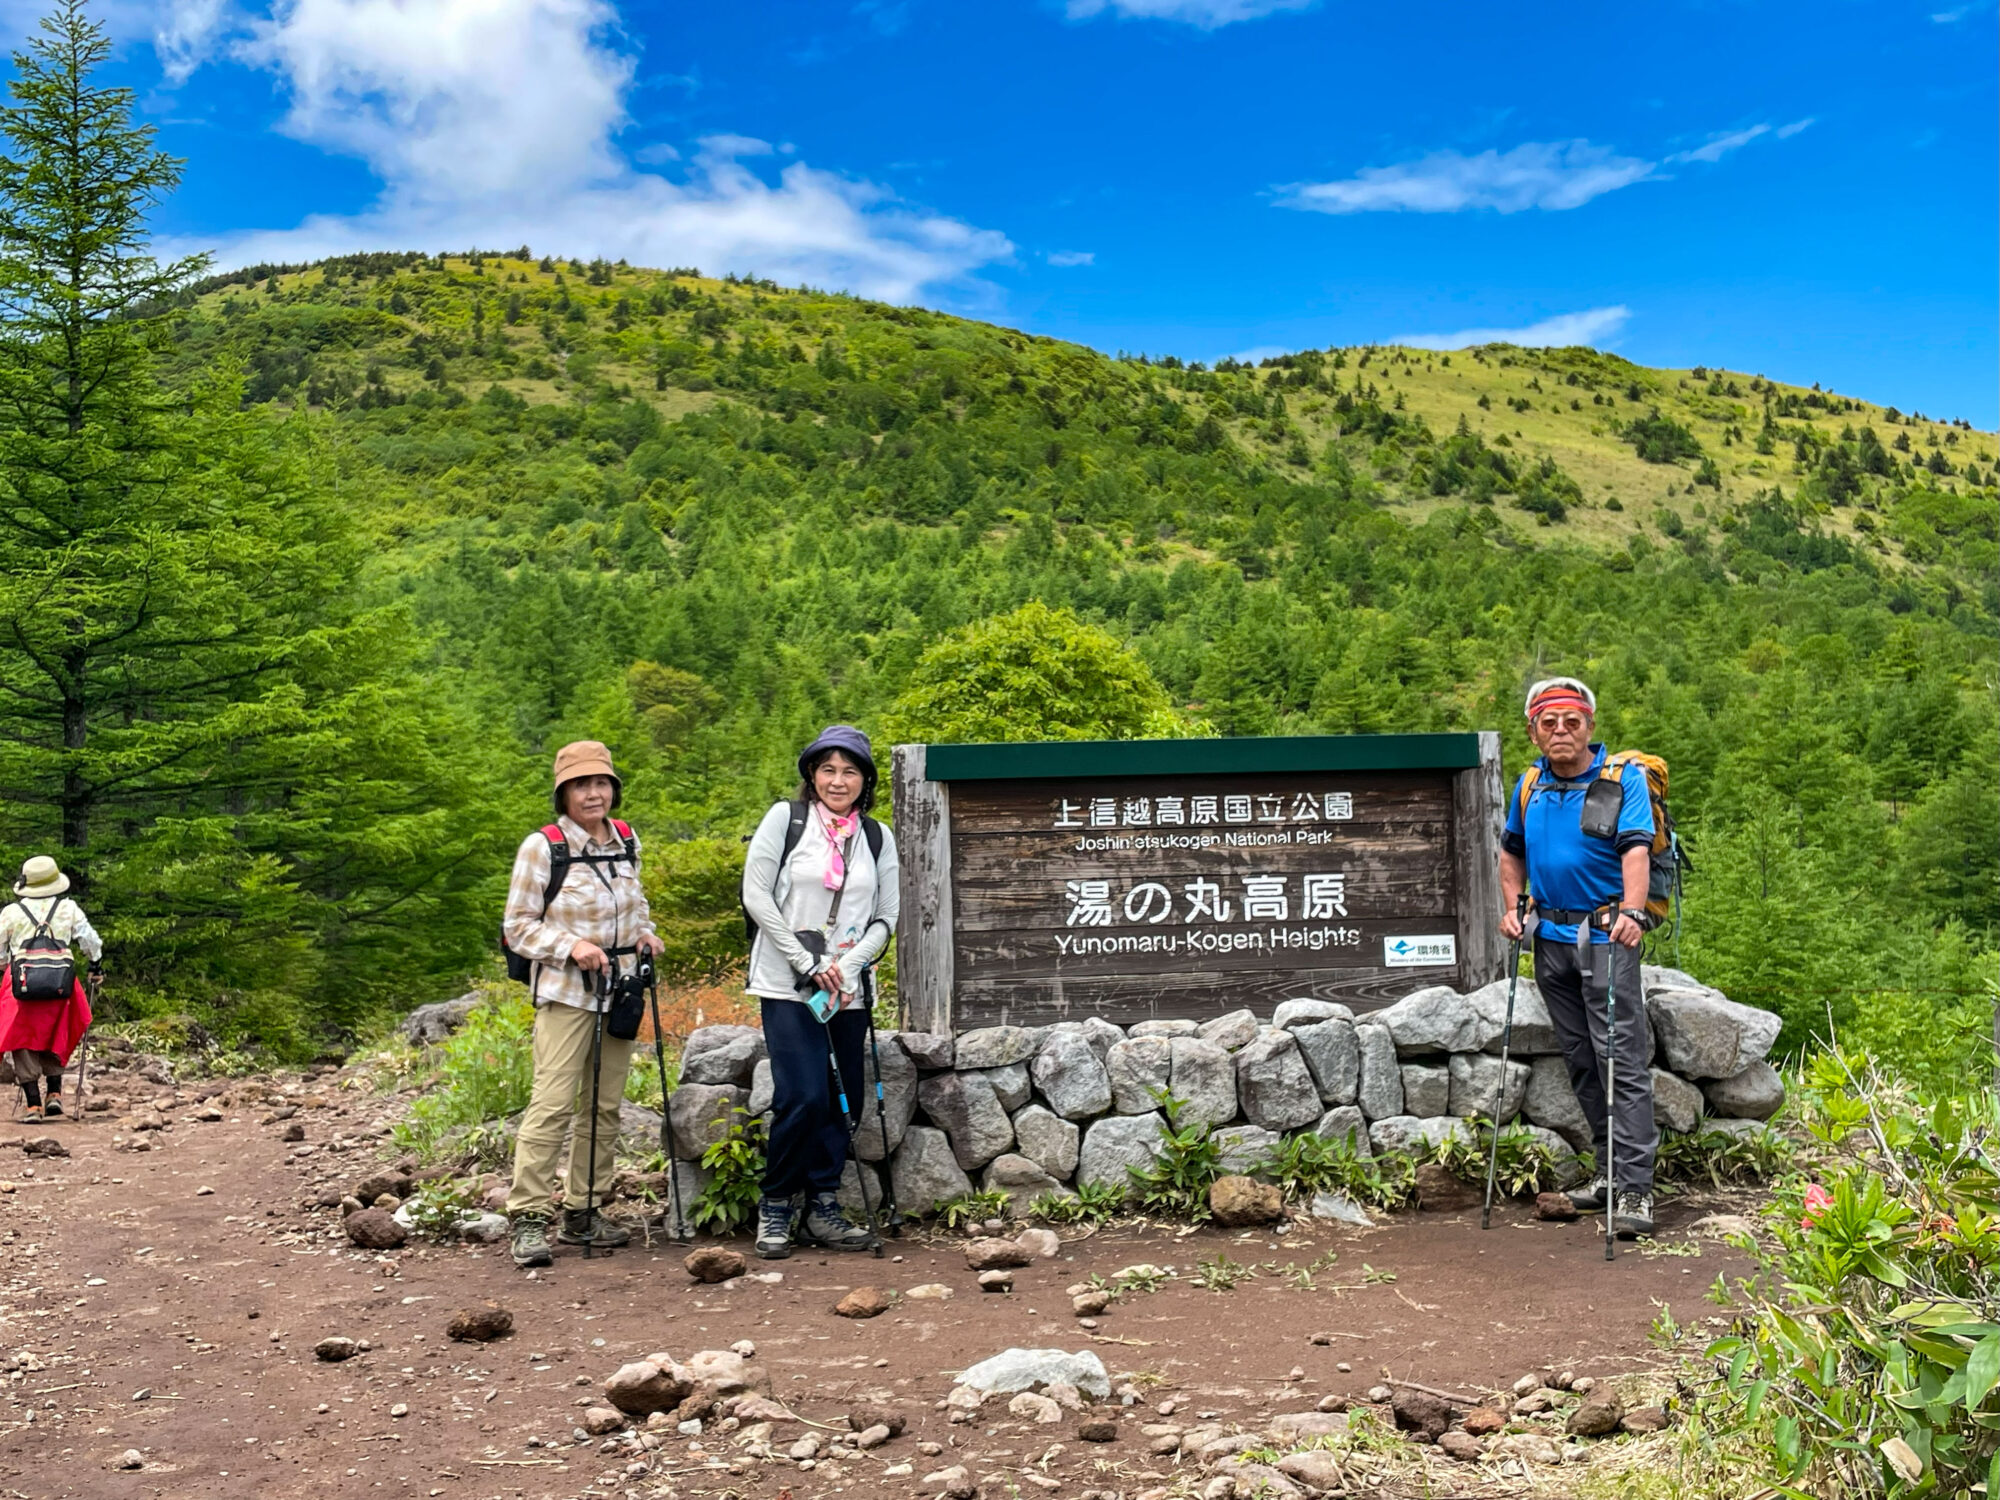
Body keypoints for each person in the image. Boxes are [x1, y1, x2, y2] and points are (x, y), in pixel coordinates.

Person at [1498, 677, 1659, 1238]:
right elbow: (1510, 852)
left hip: (1606, 940)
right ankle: (1609, 1176)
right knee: (1583, 1059)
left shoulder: (1623, 780)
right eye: (1549, 722)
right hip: (1550, 942)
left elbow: (1636, 851)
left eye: (1572, 721)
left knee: (1621, 1061)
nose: (1561, 730)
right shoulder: (1529, 786)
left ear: (1590, 724)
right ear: (1534, 730)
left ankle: (1636, 1189)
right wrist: (1512, 907)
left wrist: (1632, 915)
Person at [501, 741, 665, 1269]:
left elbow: (634, 904)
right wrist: (570, 947)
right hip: (566, 992)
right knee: (552, 1103)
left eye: (601, 783)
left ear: (613, 788)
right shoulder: (543, 847)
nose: (593, 793)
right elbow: (518, 927)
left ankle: (584, 1208)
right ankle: (527, 1218)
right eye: (581, 785)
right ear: (563, 793)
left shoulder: (626, 839)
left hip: (620, 991)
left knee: (605, 1104)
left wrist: (645, 935)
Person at [741, 725, 900, 1259]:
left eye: (850, 771)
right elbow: (757, 896)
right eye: (828, 769)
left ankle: (824, 1206)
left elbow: (887, 915)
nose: (839, 780)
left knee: (845, 1098)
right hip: (787, 983)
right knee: (803, 1095)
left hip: (847, 988)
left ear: (865, 780)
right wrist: (808, 960)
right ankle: (777, 1202)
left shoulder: (876, 837)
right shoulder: (786, 821)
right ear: (812, 773)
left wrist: (846, 965)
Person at [0, 856, 101, 1122]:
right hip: (61, 985)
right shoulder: (68, 908)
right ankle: (54, 1094)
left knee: (20, 1038)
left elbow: (0, 953)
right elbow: (89, 940)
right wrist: (95, 966)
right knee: (58, 1032)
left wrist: (5, 965)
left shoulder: (11, 912)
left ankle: (33, 1105)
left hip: (21, 984)